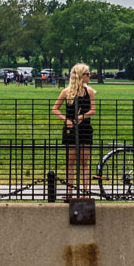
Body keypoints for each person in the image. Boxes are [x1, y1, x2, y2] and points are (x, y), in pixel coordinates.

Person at [52, 62, 98, 198]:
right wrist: (66, 119)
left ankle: (85, 191)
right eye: (87, 74)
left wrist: (82, 117)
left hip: (85, 129)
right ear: (80, 75)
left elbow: (93, 110)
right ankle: (70, 190)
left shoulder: (89, 92)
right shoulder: (66, 92)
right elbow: (55, 109)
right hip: (70, 129)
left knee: (84, 162)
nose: (89, 76)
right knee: (70, 162)